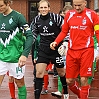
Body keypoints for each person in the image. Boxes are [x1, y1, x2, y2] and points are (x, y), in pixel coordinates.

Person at [50, 0, 99, 99]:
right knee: (69, 80)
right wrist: (56, 41)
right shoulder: (69, 15)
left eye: (79, 5)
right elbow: (64, 31)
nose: (77, 8)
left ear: (85, 3)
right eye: (75, 5)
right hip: (72, 51)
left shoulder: (92, 15)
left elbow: (98, 32)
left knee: (84, 79)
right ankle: (81, 95)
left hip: (87, 50)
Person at [30, 0, 69, 99]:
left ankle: (66, 92)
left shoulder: (56, 18)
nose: (43, 9)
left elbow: (66, 31)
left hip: (56, 48)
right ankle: (37, 96)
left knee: (61, 72)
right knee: (39, 73)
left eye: (45, 7)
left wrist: (65, 43)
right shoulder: (36, 20)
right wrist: (28, 43)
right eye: (41, 7)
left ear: (49, 8)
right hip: (43, 49)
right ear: (38, 8)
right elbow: (33, 34)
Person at [0, 0, 33, 99]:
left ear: (8, 3)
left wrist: (24, 55)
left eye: (1, 6)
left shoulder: (18, 17)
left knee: (19, 83)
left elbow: (30, 36)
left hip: (16, 59)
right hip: (1, 58)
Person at [51, 5, 73, 98]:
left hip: (75, 48)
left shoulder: (76, 21)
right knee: (62, 69)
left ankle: (80, 91)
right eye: (65, 14)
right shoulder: (62, 23)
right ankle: (61, 91)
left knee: (75, 74)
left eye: (68, 14)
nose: (66, 16)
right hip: (64, 48)